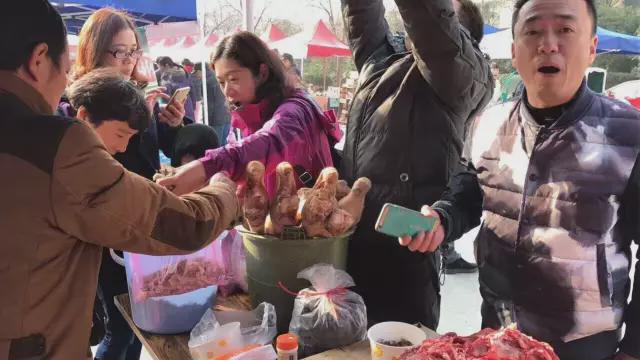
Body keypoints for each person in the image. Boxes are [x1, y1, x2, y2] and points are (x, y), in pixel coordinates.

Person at [400, 0, 640, 358]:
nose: (547, 44)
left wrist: (634, 349)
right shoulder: (489, 123)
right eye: (532, 31)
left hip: (583, 346)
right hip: (496, 337)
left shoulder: (628, 135)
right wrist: (441, 218)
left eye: (565, 29)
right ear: (514, 52)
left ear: (591, 48)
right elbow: (469, 192)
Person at [0, 2, 238, 359]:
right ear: (38, 59)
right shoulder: (57, 143)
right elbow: (181, 224)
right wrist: (224, 187)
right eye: (63, 71)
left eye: (133, 52)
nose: (64, 82)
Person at [339, 0, 493, 328]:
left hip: (406, 254)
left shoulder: (462, 74)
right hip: (352, 242)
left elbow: (430, 25)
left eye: (445, 14)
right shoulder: (382, 60)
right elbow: (361, 15)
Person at [70, 8, 191, 359]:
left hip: (143, 218)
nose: (127, 60)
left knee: (141, 324)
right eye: (118, 52)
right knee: (119, 327)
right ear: (94, 51)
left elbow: (160, 150)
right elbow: (109, 159)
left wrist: (171, 124)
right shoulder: (82, 101)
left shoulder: (139, 94)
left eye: (133, 50)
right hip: (107, 226)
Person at [157, 32, 342, 197]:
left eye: (233, 79)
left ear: (261, 73)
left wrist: (205, 167)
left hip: (304, 226)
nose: (227, 91)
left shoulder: (295, 109)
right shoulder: (254, 110)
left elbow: (268, 143)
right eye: (221, 82)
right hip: (271, 227)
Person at [67, 68, 149, 155]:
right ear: (84, 116)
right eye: (120, 135)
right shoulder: (59, 156)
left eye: (130, 137)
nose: (123, 148)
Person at [195, 62, 232, 146]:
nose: (196, 76)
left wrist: (206, 120)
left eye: (196, 73)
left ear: (201, 71)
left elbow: (209, 104)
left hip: (215, 118)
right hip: (226, 114)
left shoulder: (207, 82)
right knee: (224, 143)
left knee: (215, 145)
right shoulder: (218, 77)